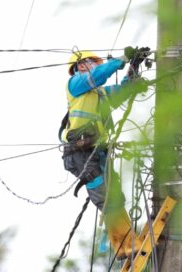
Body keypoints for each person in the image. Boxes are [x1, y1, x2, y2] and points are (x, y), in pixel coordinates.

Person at [60, 49, 150, 259]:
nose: (96, 66)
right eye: (93, 62)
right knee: (105, 196)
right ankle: (124, 244)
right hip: (79, 154)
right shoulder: (75, 84)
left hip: (97, 152)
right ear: (81, 66)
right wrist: (121, 60)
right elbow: (97, 75)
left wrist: (133, 68)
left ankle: (126, 243)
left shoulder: (99, 94)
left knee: (115, 195)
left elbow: (122, 91)